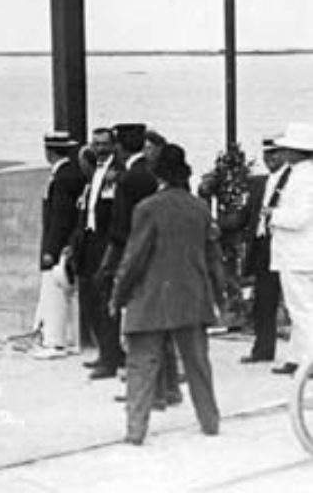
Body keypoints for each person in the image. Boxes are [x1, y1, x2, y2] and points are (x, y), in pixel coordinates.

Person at [110, 143, 225, 445]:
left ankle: (136, 430)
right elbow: (213, 258)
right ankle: (210, 421)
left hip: (152, 296)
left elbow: (134, 259)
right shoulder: (200, 208)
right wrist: (220, 297)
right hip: (192, 295)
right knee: (198, 364)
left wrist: (118, 296)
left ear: (157, 173)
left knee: (141, 365)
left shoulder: (147, 209)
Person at [90, 123, 157, 380]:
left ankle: (110, 359)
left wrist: (110, 258)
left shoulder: (129, 178)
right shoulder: (146, 172)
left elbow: (122, 222)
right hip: (143, 246)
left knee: (110, 300)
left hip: (126, 248)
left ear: (119, 146)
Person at [32, 130, 84, 359]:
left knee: (54, 294)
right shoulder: (73, 174)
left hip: (58, 246)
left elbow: (59, 218)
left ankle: (54, 341)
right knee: (69, 294)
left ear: (49, 152)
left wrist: (51, 250)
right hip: (70, 243)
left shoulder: (61, 178)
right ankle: (70, 339)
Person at [266, 124, 313, 376]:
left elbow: (299, 218)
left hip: (298, 254)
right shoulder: (297, 174)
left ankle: (309, 361)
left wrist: (273, 215)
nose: (282, 152)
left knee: (302, 310)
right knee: (300, 308)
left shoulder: (304, 178)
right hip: (297, 253)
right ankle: (296, 356)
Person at [240, 137, 290, 364]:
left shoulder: (295, 181)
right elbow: (245, 216)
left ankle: (302, 356)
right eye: (267, 154)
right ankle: (263, 349)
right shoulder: (260, 183)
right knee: (264, 299)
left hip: (286, 245)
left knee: (295, 301)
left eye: (275, 153)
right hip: (263, 246)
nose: (270, 158)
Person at [74, 127, 119, 363]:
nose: (100, 149)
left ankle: (110, 354)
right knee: (90, 298)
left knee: (104, 299)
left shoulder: (116, 172)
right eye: (96, 144)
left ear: (112, 145)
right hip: (89, 240)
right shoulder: (94, 173)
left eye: (104, 144)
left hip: (105, 241)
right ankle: (105, 349)